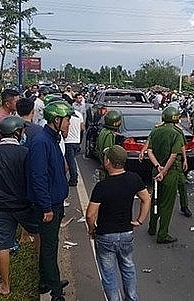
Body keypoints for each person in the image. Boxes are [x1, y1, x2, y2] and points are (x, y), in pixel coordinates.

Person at [0, 116, 39, 296]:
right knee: (39, 235)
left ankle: (5, 286)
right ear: (17, 132)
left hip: (1, 208)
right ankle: (42, 274)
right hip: (25, 206)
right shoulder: (26, 153)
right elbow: (33, 180)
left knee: (3, 246)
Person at [86, 145, 151, 301]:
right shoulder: (133, 178)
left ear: (108, 161)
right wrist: (140, 220)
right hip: (127, 233)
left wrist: (92, 229)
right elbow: (146, 198)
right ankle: (132, 298)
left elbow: (90, 214)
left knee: (108, 274)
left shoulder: (102, 186)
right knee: (128, 268)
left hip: (106, 235)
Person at [28, 101, 75, 300]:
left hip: (55, 202)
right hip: (48, 206)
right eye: (67, 120)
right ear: (56, 120)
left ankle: (46, 280)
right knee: (48, 247)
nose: (69, 123)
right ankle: (56, 292)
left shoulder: (52, 139)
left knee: (50, 244)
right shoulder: (41, 141)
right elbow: (38, 177)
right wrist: (47, 207)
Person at [146, 107, 185, 243]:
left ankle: (152, 227)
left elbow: (149, 151)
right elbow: (173, 155)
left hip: (155, 169)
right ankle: (162, 234)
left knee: (155, 200)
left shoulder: (155, 131)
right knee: (167, 204)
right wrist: (164, 171)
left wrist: (158, 167)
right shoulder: (176, 133)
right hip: (170, 172)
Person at [64, 109, 84, 186]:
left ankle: (74, 179)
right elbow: (82, 128)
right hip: (76, 141)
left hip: (68, 142)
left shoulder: (66, 118)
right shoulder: (78, 116)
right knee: (72, 160)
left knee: (70, 162)